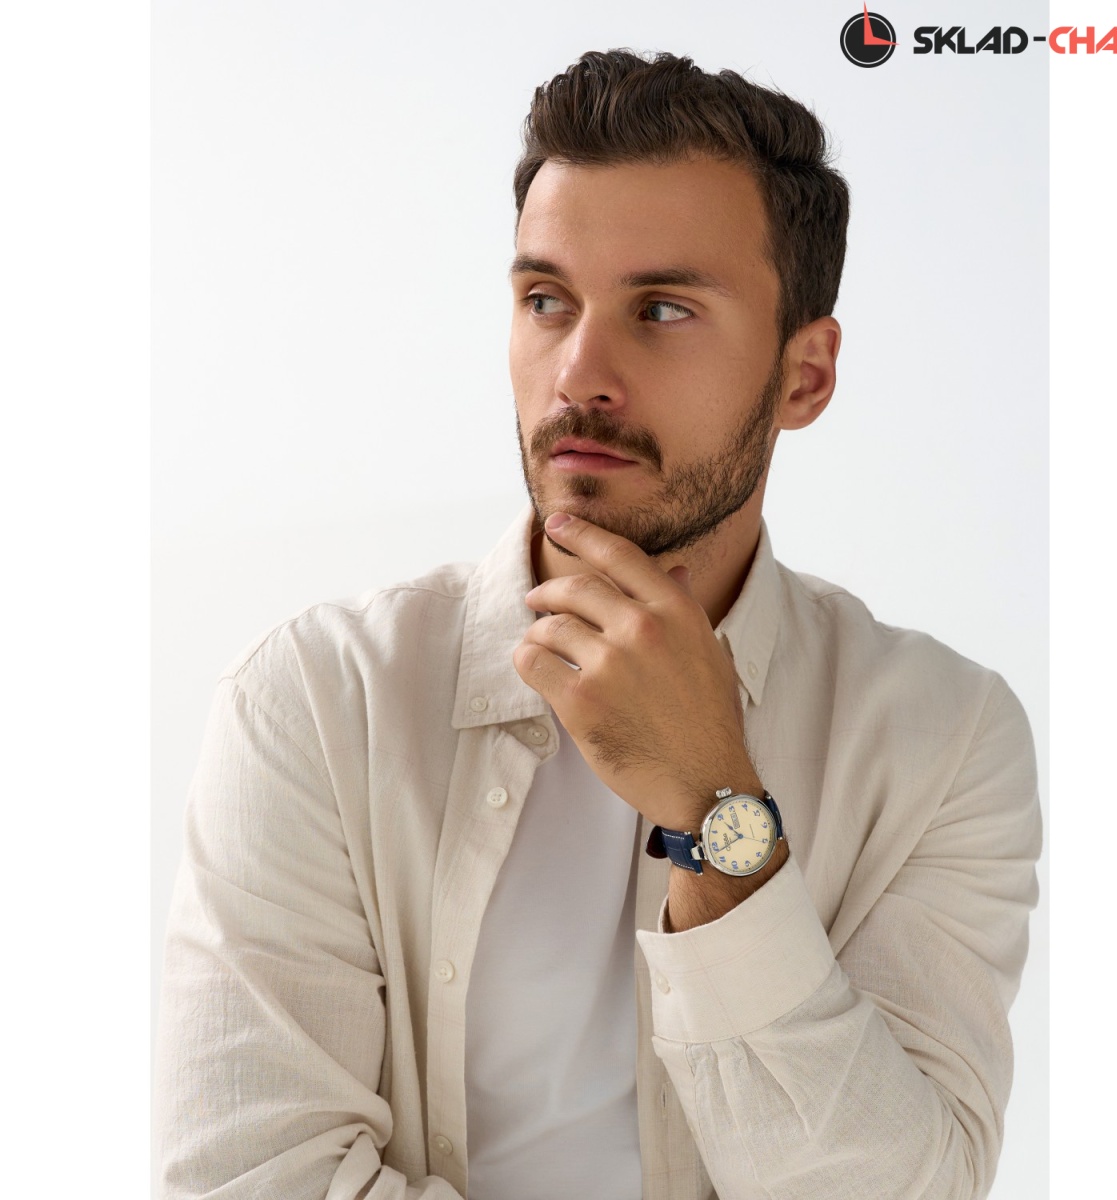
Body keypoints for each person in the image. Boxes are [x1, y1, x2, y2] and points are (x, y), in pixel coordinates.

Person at [154, 47, 1042, 1200]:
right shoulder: (320, 700)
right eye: (546, 301)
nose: (580, 373)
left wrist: (718, 813)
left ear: (804, 376)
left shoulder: (946, 738)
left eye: (662, 309)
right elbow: (249, 1178)